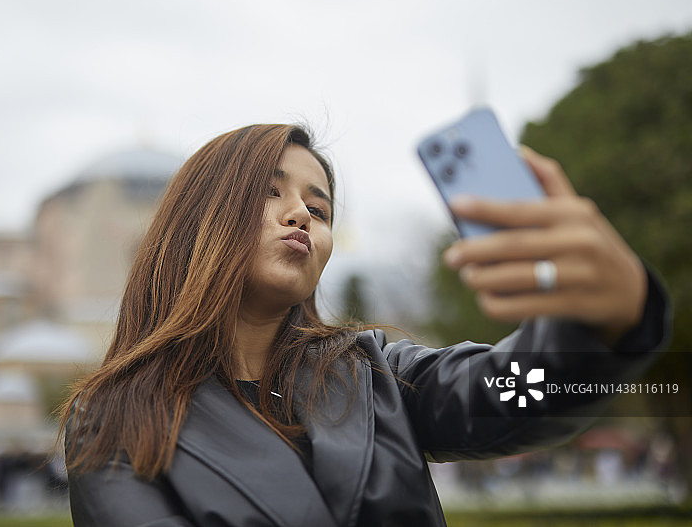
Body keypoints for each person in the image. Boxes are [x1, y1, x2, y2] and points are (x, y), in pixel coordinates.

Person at [61, 124, 670, 527]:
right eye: (267, 192)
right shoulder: (116, 416)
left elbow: (515, 391)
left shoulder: (373, 373)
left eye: (319, 208)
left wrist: (608, 318)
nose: (300, 213)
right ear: (198, 221)